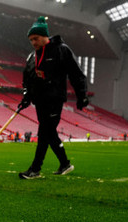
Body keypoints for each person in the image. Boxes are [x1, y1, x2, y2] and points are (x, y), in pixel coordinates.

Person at [17, 16, 89, 179]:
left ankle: (35, 169)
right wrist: (26, 96)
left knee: (44, 132)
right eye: (31, 40)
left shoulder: (61, 50)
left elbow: (76, 74)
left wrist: (81, 95)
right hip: (39, 100)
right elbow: (27, 78)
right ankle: (65, 163)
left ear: (45, 36)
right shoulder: (32, 56)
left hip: (54, 98)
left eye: (36, 38)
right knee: (49, 133)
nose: (33, 42)